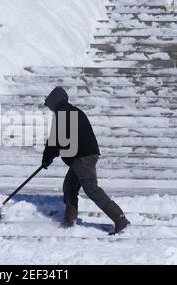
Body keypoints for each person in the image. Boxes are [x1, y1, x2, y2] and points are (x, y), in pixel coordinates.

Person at [42, 87, 130, 235]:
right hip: (82, 156)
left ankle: (120, 219)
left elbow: (54, 141)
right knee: (69, 187)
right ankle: (69, 221)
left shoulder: (63, 113)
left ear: (54, 102)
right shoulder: (71, 111)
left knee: (91, 189)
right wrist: (52, 154)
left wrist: (47, 159)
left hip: (83, 157)